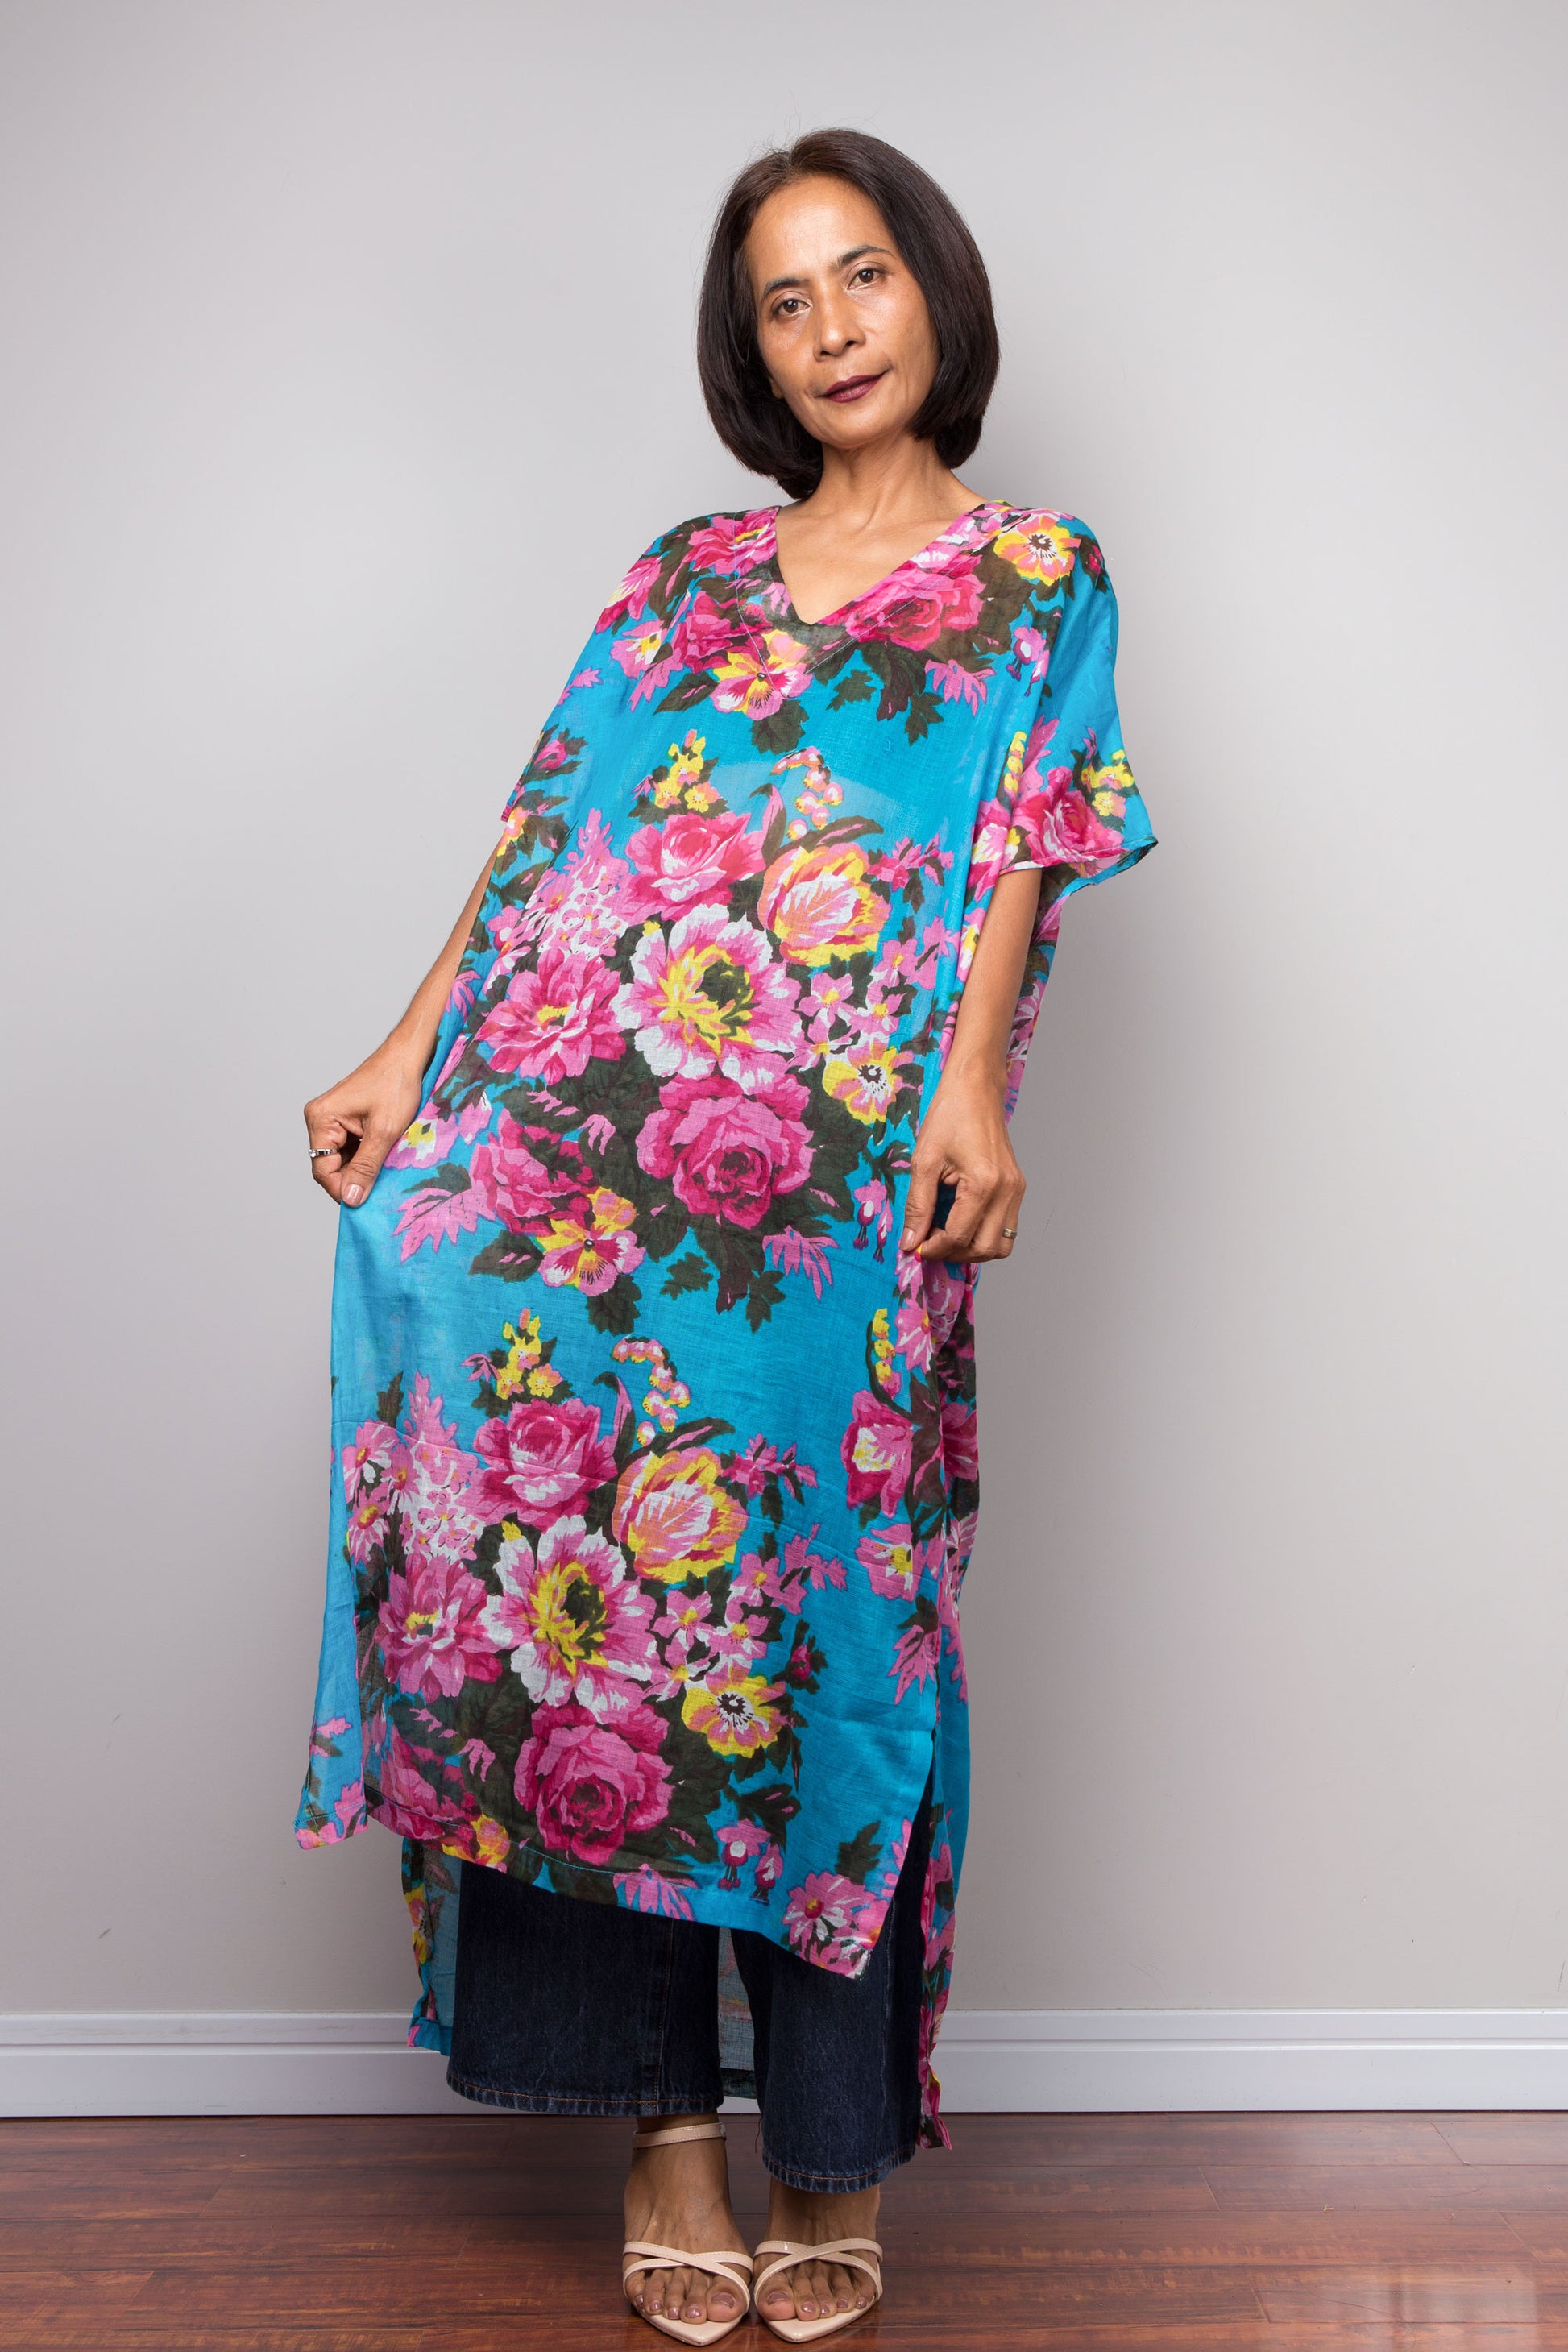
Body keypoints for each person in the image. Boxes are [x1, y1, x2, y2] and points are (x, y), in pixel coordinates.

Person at [297, 127, 1155, 2345]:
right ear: (748, 351)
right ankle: (659, 2128)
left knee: (819, 1631)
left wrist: (966, 1087)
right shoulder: (678, 573)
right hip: (570, 1180)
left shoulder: (1038, 573)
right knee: (577, 1612)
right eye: (784, 300)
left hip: (831, 1202)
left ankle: (826, 2155)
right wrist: (404, 1060)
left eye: (862, 276)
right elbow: (539, 842)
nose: (833, 326)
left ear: (936, 296)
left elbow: (1026, 847)